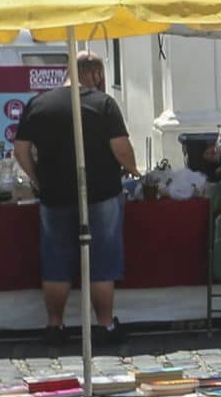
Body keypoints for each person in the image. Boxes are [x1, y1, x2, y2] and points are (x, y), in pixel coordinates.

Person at [12, 53, 139, 343]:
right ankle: (105, 325)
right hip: (102, 192)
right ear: (94, 73)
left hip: (54, 193)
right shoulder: (103, 103)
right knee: (102, 262)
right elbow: (121, 149)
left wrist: (37, 178)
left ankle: (55, 326)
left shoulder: (38, 103)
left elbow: (20, 150)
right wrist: (134, 171)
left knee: (56, 262)